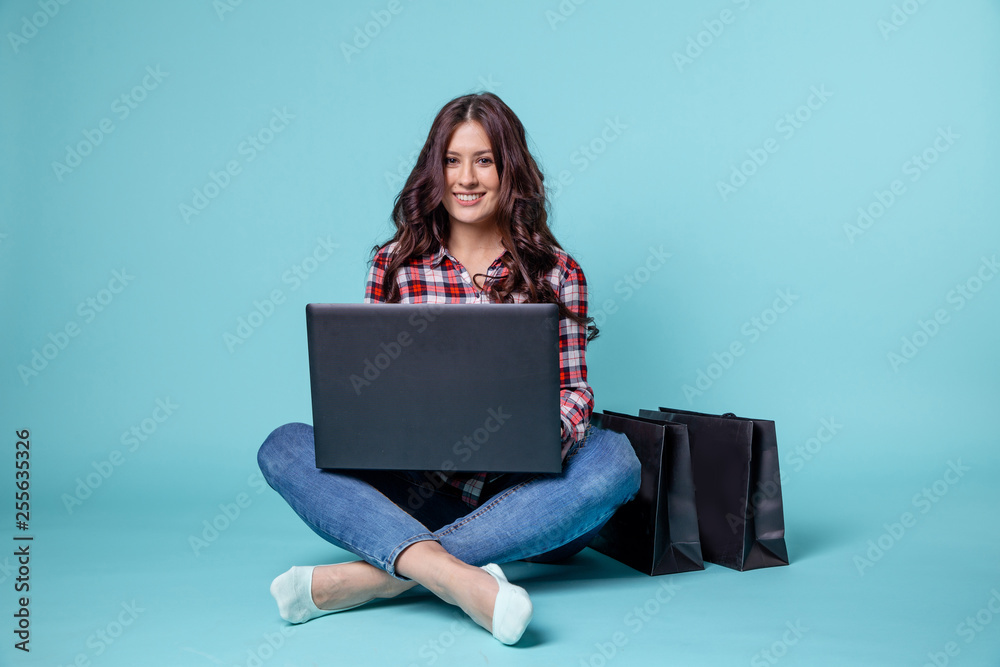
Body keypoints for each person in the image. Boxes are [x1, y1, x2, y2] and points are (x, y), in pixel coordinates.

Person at [256, 92, 641, 646]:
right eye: (452, 160)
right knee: (283, 445)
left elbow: (575, 390)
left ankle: (374, 579)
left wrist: (536, 437)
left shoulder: (559, 273)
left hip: (528, 498)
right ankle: (458, 580)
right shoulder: (394, 266)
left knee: (615, 460)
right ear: (434, 172)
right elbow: (370, 392)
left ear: (510, 171)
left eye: (484, 160)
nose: (467, 178)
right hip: (418, 490)